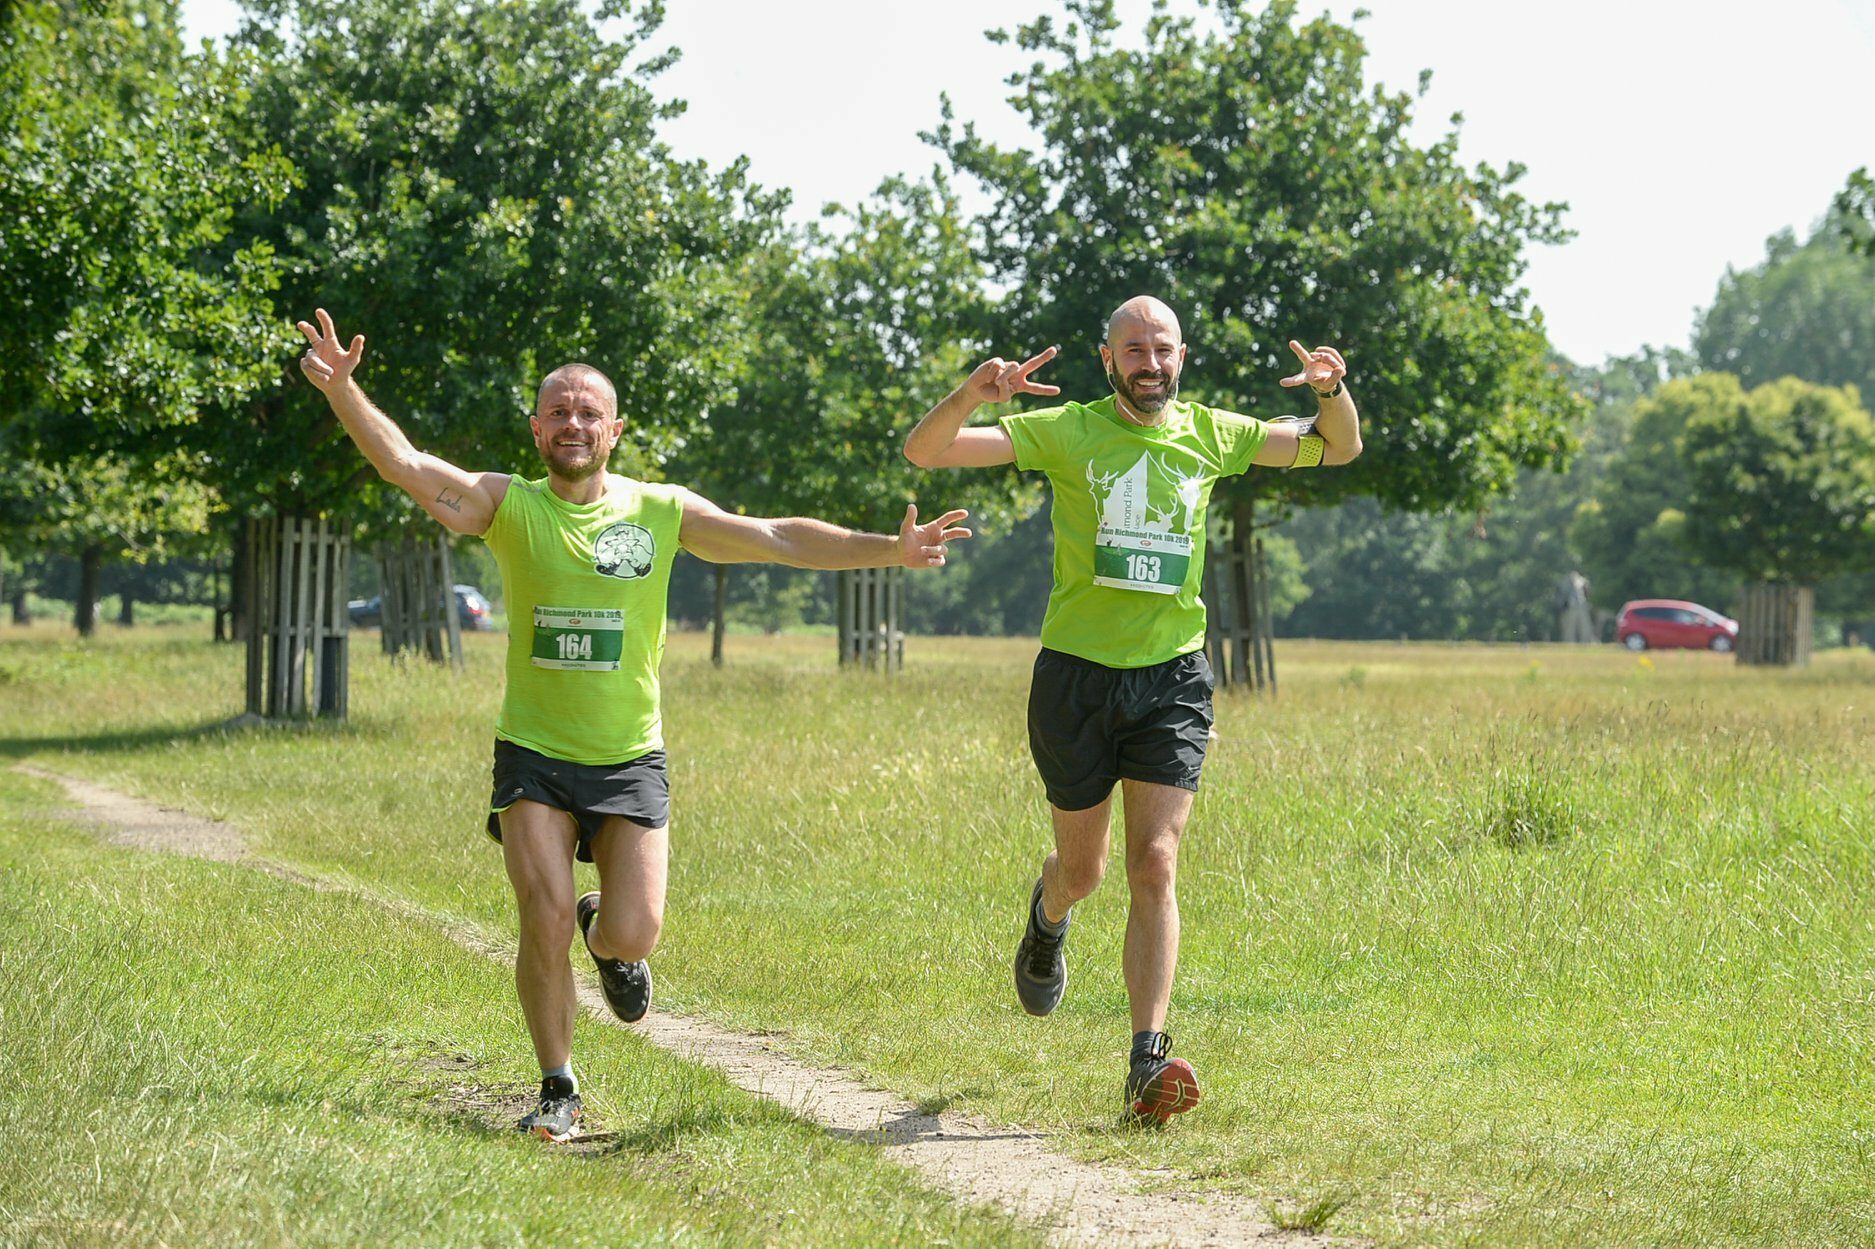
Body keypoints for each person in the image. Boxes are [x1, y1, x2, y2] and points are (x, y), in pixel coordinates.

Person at [297, 309, 970, 1142]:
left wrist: (889, 549)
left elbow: (775, 538)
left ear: (614, 429)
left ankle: (605, 934)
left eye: (589, 412)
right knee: (536, 912)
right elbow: (405, 465)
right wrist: (344, 389)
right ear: (536, 427)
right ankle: (557, 1088)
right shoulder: (506, 505)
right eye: (558, 410)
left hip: (626, 757)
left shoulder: (660, 509)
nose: (572, 423)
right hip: (533, 753)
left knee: (635, 927)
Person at [903, 296, 1362, 1122]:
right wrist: (976, 393)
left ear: (1181, 356)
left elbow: (1339, 448)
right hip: (1075, 677)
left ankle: (1145, 1062)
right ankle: (1047, 919)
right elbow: (925, 451)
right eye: (1133, 350)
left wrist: (1330, 389)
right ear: (1106, 359)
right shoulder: (1068, 431)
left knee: (1154, 862)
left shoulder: (1215, 433)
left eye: (1162, 349)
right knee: (1082, 869)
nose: (1150, 363)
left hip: (1172, 677)